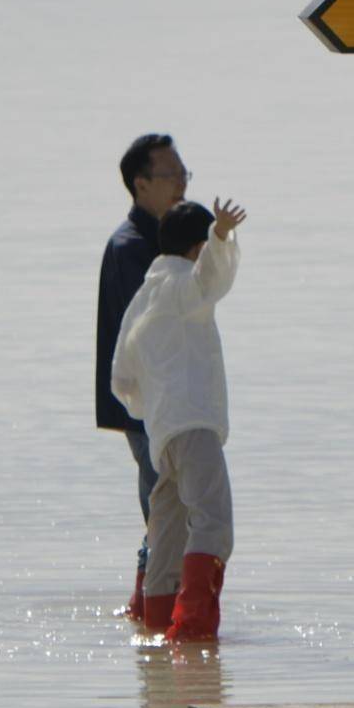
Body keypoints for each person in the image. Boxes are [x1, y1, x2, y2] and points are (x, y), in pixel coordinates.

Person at [110, 195, 247, 642]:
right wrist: (220, 236)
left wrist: (152, 411)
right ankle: (191, 628)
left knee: (165, 527)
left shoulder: (144, 298)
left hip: (163, 433)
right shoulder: (183, 284)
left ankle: (155, 621)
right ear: (193, 249)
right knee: (212, 519)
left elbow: (123, 378)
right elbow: (210, 278)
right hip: (194, 424)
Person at [97, 133, 186, 561]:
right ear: (141, 183)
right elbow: (152, 331)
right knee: (165, 508)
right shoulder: (132, 246)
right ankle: (157, 603)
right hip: (145, 401)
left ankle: (152, 608)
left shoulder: (166, 240)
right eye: (170, 174)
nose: (181, 182)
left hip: (164, 398)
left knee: (169, 507)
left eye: (183, 172)